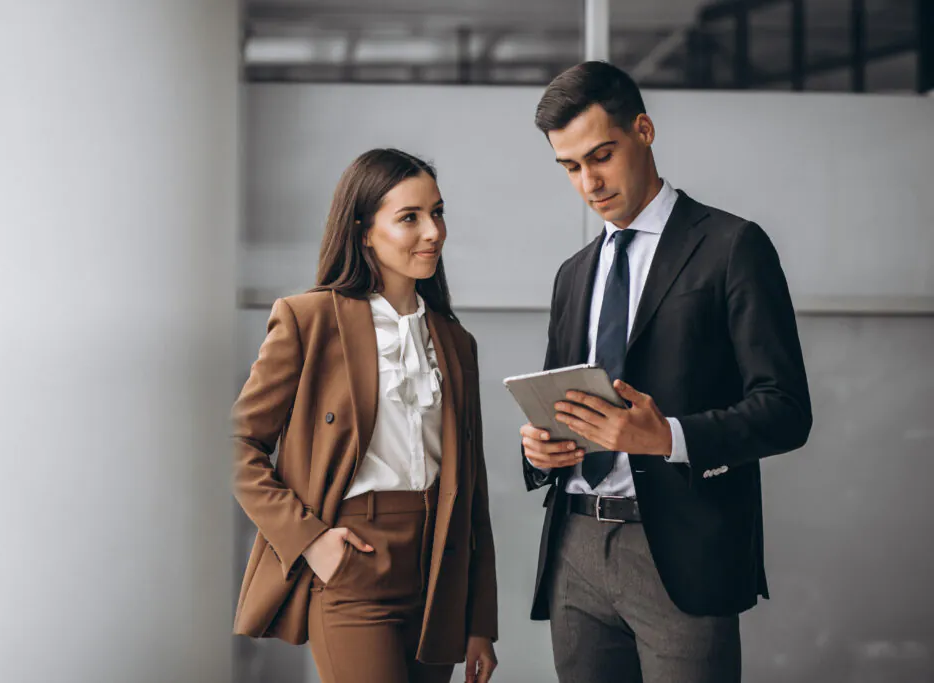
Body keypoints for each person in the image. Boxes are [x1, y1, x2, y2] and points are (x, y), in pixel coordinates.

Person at [520, 61, 812, 683]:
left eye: (601, 155)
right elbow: (561, 402)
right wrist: (541, 448)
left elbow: (786, 408)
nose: (588, 182)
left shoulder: (733, 246)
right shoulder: (573, 273)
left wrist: (669, 438)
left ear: (644, 131)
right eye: (570, 167)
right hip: (574, 547)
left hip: (679, 552)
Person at [232, 148, 498, 683]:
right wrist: (311, 541)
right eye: (410, 218)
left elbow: (471, 490)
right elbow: (237, 447)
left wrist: (479, 621)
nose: (433, 232)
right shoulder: (309, 321)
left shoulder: (454, 341)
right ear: (363, 231)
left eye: (437, 212)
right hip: (353, 563)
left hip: (439, 572)